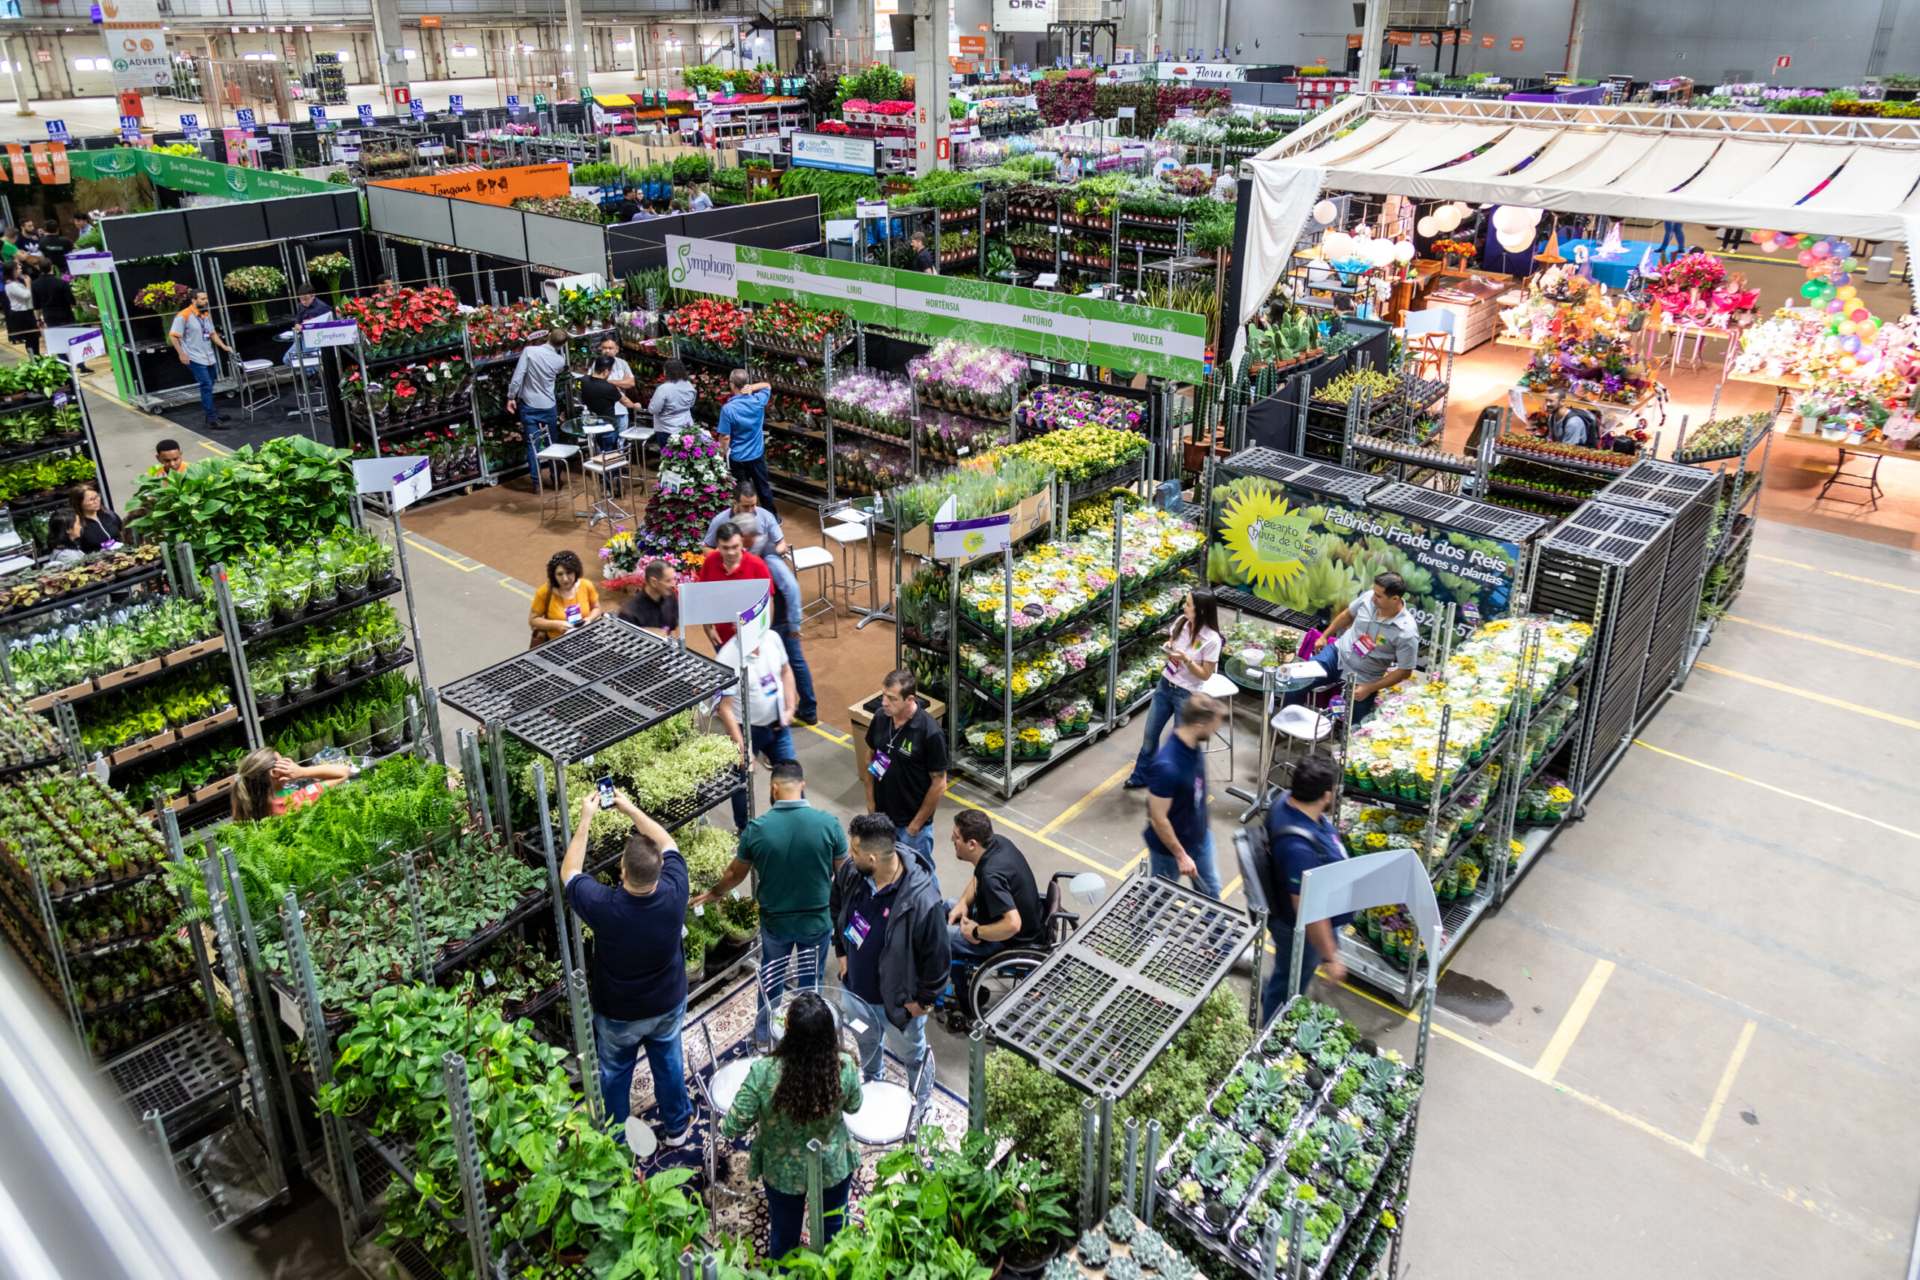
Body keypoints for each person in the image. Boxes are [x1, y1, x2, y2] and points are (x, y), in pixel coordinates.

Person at [562, 789, 693, 1146]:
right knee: (668, 1062)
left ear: (621, 871)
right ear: (660, 870)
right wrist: (629, 807)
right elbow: (666, 842)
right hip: (667, 1002)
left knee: (615, 1073)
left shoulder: (604, 906)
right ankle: (678, 1128)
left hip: (618, 1012)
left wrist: (587, 817)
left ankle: (616, 1143)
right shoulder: (676, 889)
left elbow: (570, 871)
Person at [690, 760, 849, 1048]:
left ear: (773, 788)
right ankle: (806, 1040)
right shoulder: (829, 825)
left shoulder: (757, 830)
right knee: (809, 983)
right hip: (816, 924)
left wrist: (713, 894)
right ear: (802, 786)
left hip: (776, 924)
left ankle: (764, 1037)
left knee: (771, 979)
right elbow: (845, 877)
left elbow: (734, 875)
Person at [717, 991, 863, 1262]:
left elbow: (732, 1125)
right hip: (832, 1165)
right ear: (829, 1033)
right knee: (836, 1231)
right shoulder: (845, 1068)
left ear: (787, 1031)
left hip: (783, 1171)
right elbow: (854, 1107)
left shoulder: (763, 1073)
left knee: (784, 1238)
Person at [832, 812, 948, 1106]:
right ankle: (873, 1084)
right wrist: (841, 951)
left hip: (898, 1007)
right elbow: (836, 907)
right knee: (867, 1044)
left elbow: (938, 958)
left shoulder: (922, 900)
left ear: (872, 859)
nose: (849, 855)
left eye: (855, 851)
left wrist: (923, 1002)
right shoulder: (851, 874)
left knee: (913, 1055)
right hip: (855, 994)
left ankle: (922, 1103)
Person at [703, 480, 816, 723]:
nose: (751, 511)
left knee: (787, 659)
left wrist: (782, 626)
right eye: (728, 546)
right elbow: (708, 575)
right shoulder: (725, 543)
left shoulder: (761, 563)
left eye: (753, 506)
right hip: (755, 616)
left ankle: (797, 710)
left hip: (774, 612)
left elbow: (786, 589)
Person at [1259, 756, 1350, 1024]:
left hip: (1292, 911)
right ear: (1324, 795)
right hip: (1296, 928)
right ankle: (1270, 1028)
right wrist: (1329, 957)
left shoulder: (1285, 801)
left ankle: (1272, 991)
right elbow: (1309, 911)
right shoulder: (1299, 849)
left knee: (1287, 972)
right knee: (1290, 983)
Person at [1283, 572, 1420, 724]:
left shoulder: (1407, 632)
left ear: (1395, 599)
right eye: (1374, 593)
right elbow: (1348, 614)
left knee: (1357, 729)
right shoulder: (1368, 598)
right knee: (1295, 680)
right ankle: (1286, 728)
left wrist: (1369, 688)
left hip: (1365, 678)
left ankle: (1343, 742)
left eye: (1379, 596)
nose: (1373, 598)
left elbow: (1405, 671)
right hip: (1337, 656)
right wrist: (1325, 636)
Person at [1125, 588, 1223, 790]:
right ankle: (1142, 775)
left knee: (1180, 744)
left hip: (1186, 696)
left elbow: (1205, 674)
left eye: (1188, 604)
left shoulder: (1212, 640)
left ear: (1202, 611)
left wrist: (1186, 660)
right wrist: (1169, 644)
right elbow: (1172, 640)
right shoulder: (1181, 622)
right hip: (1164, 686)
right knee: (1150, 735)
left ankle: (1176, 786)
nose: (1183, 607)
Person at [857, 668, 947, 873]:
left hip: (911, 826)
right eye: (883, 696)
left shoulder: (929, 732)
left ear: (909, 699)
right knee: (887, 872)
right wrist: (870, 801)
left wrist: (915, 826)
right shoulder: (881, 717)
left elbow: (939, 784)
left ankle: (931, 906)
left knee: (919, 876)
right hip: (882, 819)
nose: (884, 703)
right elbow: (870, 757)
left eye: (891, 698)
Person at [712, 617, 798, 830]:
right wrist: (742, 747)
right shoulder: (727, 658)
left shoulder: (772, 638)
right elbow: (725, 708)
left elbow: (786, 671)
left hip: (778, 725)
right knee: (743, 782)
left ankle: (794, 821)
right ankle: (744, 827)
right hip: (747, 730)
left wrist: (790, 706)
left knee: (792, 775)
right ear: (735, 627)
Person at [1144, 692, 1226, 900]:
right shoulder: (1168, 766)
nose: (1215, 730)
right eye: (1213, 725)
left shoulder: (1193, 744)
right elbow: (1158, 818)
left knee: (1212, 894)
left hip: (1200, 838)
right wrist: (1181, 856)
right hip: (1171, 852)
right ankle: (1144, 930)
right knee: (1158, 899)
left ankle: (1219, 932)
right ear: (1199, 726)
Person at [943, 810, 1042, 963]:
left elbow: (1013, 924)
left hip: (1008, 940)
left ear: (971, 844)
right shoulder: (998, 842)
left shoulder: (991, 876)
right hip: (1010, 917)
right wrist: (963, 902)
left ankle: (960, 985)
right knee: (949, 905)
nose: (952, 840)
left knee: (937, 935)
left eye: (956, 837)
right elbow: (979, 875)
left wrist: (975, 932)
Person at [506, 327, 569, 489]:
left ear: (548, 335)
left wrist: (511, 396)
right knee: (552, 444)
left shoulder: (529, 352)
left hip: (529, 404)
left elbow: (518, 376)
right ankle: (556, 480)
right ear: (561, 345)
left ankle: (537, 483)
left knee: (532, 444)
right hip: (549, 405)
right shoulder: (560, 361)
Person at [697, 521, 773, 649]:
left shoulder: (757, 565)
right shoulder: (710, 561)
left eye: (735, 547)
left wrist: (761, 635)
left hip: (752, 639)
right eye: (725, 548)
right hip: (721, 639)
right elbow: (705, 595)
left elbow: (769, 601)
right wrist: (708, 628)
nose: (731, 552)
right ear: (717, 545)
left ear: (742, 542)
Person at [168, 290, 236, 433]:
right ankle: (212, 418)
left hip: (209, 357)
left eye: (206, 298)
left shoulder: (206, 315)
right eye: (202, 299)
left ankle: (211, 414)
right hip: (194, 357)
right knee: (205, 385)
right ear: (193, 300)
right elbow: (173, 336)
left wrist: (223, 346)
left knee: (210, 385)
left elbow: (212, 334)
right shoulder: (183, 316)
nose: (206, 301)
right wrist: (181, 354)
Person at [230, 749, 350, 822]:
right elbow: (343, 772)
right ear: (275, 773)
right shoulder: (295, 800)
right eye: (284, 762)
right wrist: (301, 772)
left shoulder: (242, 804)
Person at [716, 368, 775, 511]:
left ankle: (743, 517)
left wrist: (719, 457)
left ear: (732, 385)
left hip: (738, 457)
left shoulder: (728, 409)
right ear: (747, 383)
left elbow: (725, 437)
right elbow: (767, 385)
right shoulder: (758, 400)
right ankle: (772, 517)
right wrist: (753, 388)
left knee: (741, 490)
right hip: (757, 454)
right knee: (763, 486)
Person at [528, 549, 602, 645]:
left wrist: (589, 619)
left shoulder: (586, 585)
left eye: (569, 572)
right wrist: (557, 624)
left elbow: (596, 607)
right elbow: (533, 620)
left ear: (576, 571)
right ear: (553, 575)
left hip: (587, 638)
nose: (565, 579)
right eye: (560, 574)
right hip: (558, 644)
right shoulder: (544, 592)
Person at [45, 483, 124, 557]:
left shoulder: (108, 515)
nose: (96, 501)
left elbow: (121, 531)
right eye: (91, 500)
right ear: (79, 503)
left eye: (97, 497)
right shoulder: (76, 525)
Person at [618, 557, 680, 638]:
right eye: (668, 581)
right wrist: (646, 634)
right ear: (653, 582)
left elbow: (672, 628)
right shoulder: (629, 613)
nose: (672, 584)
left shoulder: (670, 595)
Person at [578, 355, 642, 431]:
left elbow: (598, 387)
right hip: (606, 425)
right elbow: (624, 401)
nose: (610, 373)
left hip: (591, 422)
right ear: (605, 372)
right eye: (610, 371)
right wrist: (635, 406)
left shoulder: (584, 380)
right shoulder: (609, 387)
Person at [284, 288, 332, 372]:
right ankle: (309, 373)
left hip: (316, 338)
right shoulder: (300, 306)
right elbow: (297, 322)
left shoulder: (322, 307)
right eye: (301, 299)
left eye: (306, 299)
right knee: (287, 358)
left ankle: (312, 376)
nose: (303, 302)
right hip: (303, 337)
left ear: (313, 296)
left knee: (308, 360)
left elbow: (330, 323)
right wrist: (299, 326)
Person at [647, 357, 698, 434]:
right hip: (686, 428)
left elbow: (654, 410)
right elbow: (691, 404)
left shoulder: (663, 389)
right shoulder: (689, 385)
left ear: (665, 372)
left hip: (666, 430)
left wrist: (651, 403)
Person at [5, 263, 37, 356]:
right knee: (30, 338)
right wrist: (28, 284)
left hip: (26, 312)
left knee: (34, 337)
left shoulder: (16, 282)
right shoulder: (11, 285)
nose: (20, 270)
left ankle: (36, 356)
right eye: (17, 269)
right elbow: (25, 295)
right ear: (12, 272)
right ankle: (34, 358)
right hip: (21, 314)